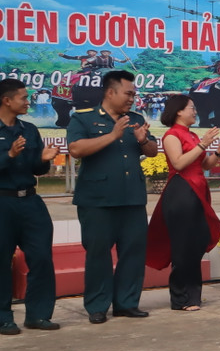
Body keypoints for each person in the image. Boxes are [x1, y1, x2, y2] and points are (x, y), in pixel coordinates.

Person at [67, 69, 160, 323]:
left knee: (133, 252)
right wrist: (112, 135)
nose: (132, 98)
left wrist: (142, 141)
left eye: (134, 93)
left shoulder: (136, 118)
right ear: (110, 92)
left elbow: (152, 151)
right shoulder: (83, 119)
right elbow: (75, 149)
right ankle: (97, 306)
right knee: (98, 254)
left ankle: (127, 303)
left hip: (132, 198)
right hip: (97, 200)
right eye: (128, 93)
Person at [146, 94, 220, 311]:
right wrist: (203, 144)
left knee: (195, 244)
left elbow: (203, 164)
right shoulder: (171, 135)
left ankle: (193, 296)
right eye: (191, 108)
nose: (195, 112)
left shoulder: (192, 135)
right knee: (182, 246)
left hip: (198, 190)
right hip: (181, 191)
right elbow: (178, 162)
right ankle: (180, 298)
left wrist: (217, 152)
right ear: (178, 111)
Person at [0, 78, 60, 334]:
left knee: (42, 257)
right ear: (7, 100)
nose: (28, 101)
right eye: (23, 98)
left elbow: (36, 168)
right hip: (3, 202)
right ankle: (4, 317)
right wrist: (8, 155)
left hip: (31, 201)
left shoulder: (29, 129)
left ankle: (38, 314)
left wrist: (44, 160)